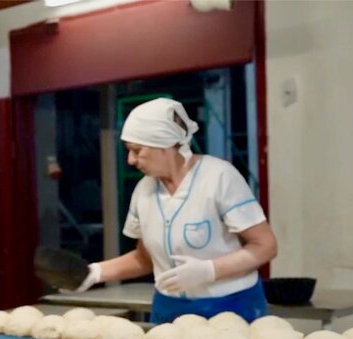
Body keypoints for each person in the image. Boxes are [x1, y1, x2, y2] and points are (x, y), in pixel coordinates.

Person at [74, 98, 277, 323]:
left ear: (165, 146)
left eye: (137, 150)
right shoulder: (144, 190)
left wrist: (210, 270)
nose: (131, 160)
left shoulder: (219, 177)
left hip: (230, 306)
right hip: (168, 308)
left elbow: (265, 246)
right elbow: (145, 258)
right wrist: (96, 272)